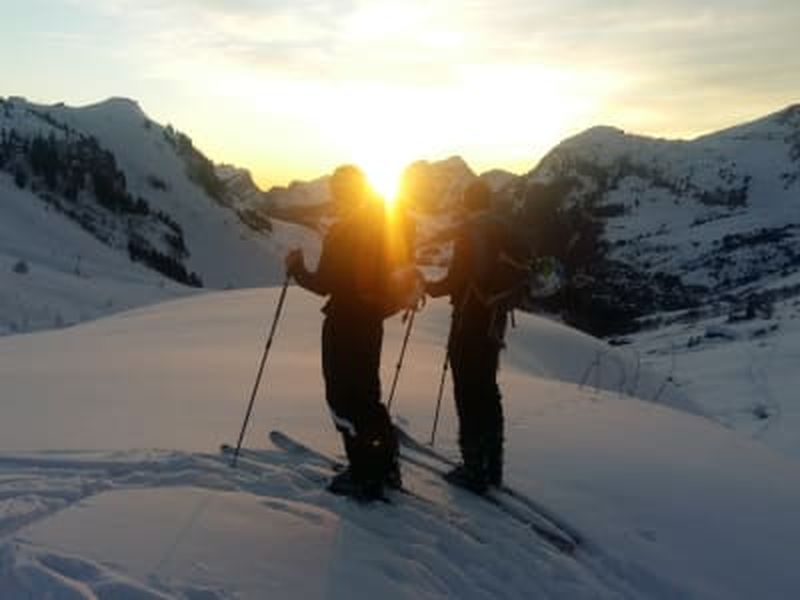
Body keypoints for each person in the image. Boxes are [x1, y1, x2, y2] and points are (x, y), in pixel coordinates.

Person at [285, 165, 401, 502]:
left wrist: (296, 269)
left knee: (342, 398)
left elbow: (324, 283)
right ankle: (385, 465)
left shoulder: (343, 231)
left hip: (344, 324)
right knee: (368, 395)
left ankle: (364, 473)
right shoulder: (383, 226)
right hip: (372, 324)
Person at [425, 180, 508, 494]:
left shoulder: (469, 232)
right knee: (488, 390)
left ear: (467, 203)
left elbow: (455, 280)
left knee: (467, 392)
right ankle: (493, 465)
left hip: (469, 322)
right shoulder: (503, 230)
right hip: (495, 323)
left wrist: (427, 287)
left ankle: (473, 468)